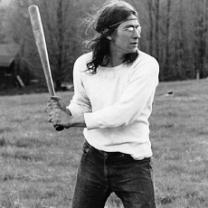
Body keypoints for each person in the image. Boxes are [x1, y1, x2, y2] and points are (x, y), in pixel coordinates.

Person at [47, 0, 159, 207]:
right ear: (109, 34)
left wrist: (72, 120)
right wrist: (66, 113)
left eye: (137, 26)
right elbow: (82, 102)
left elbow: (124, 114)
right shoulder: (84, 64)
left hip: (133, 162)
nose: (137, 33)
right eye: (129, 28)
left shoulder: (146, 66)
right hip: (93, 158)